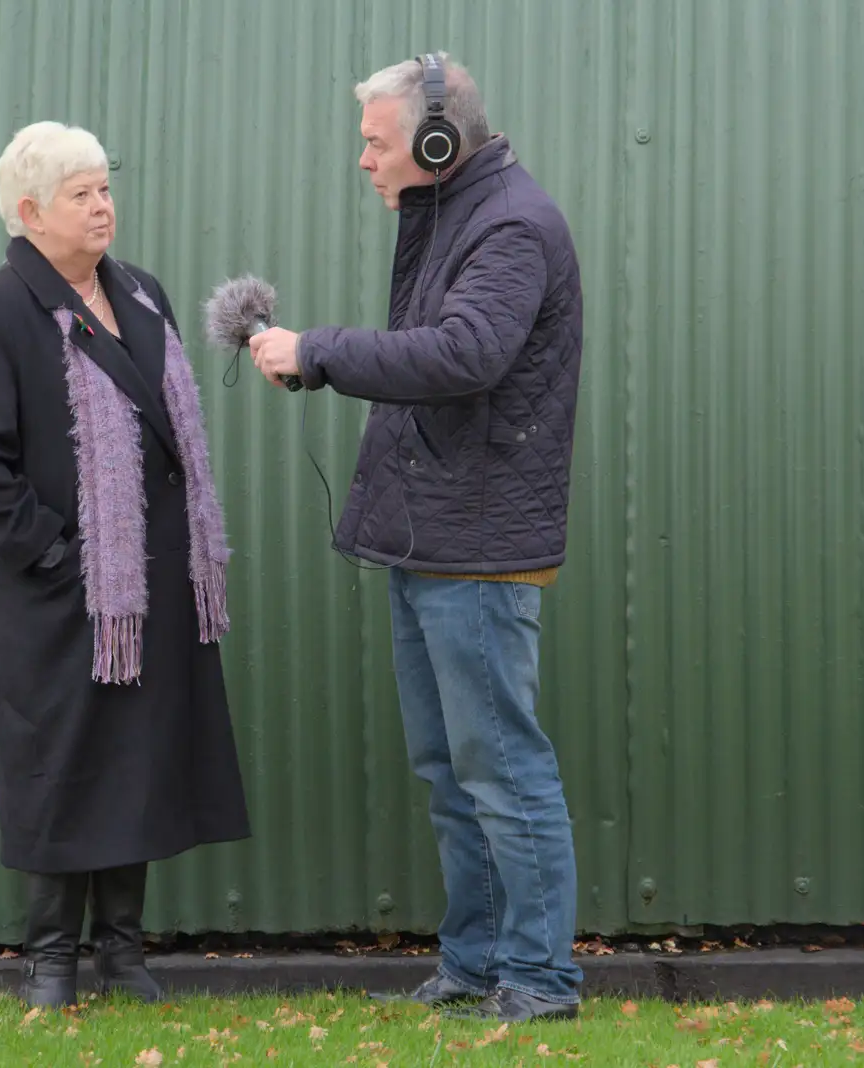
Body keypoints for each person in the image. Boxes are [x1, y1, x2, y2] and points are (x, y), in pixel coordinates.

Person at [249, 53, 584, 1023]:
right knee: (450, 769)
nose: (363, 160)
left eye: (376, 141)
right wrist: (322, 365)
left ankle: (539, 978)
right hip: (431, 539)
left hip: (478, 550)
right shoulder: (454, 216)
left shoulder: (511, 226)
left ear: (438, 143)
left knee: (501, 766)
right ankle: (475, 966)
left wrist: (317, 349)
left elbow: (464, 354)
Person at [0, 120, 252, 1009]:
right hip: (60, 588)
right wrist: (57, 557)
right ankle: (49, 962)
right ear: (31, 212)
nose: (103, 206)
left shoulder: (141, 293)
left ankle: (122, 953)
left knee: (137, 760)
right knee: (62, 759)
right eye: (82, 194)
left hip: (148, 583)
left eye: (106, 188)